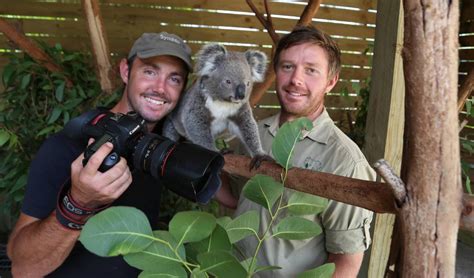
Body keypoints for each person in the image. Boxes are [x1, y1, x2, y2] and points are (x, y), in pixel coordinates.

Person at [6, 32, 194, 277]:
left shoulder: (157, 152)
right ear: (126, 72)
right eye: (150, 71)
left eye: (174, 79)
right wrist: (78, 203)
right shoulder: (67, 146)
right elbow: (22, 268)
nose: (160, 88)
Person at [233, 25, 375, 277]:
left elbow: (346, 262)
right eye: (288, 66)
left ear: (331, 81)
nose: (296, 79)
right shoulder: (255, 133)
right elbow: (241, 202)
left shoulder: (344, 161)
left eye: (311, 70)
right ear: (276, 72)